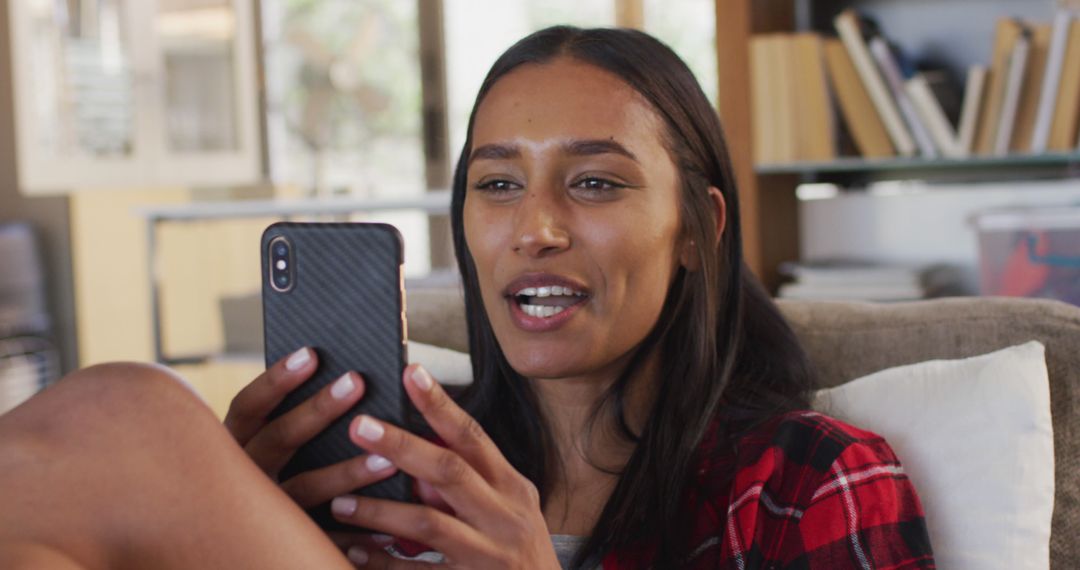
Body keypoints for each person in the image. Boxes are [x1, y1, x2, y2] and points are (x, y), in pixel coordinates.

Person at [0, 26, 934, 569]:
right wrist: (233, 516)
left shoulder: (805, 482)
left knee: (130, 416)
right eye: (495, 185)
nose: (535, 228)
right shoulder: (400, 470)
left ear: (699, 228)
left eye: (597, 183)